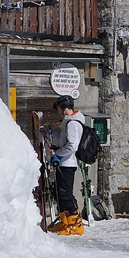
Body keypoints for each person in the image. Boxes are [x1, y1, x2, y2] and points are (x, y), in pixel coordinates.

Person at [50, 95, 86, 235]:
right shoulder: (68, 121)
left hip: (68, 163)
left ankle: (75, 225)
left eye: (58, 108)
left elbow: (72, 146)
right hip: (64, 162)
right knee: (59, 193)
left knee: (65, 194)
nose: (57, 111)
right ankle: (65, 222)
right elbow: (66, 141)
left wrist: (58, 153)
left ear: (64, 108)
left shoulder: (73, 123)